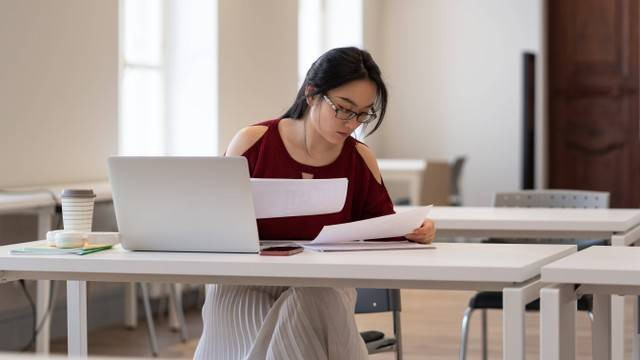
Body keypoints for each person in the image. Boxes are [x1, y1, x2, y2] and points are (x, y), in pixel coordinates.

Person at [194, 47, 436, 360]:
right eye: (344, 108)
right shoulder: (253, 143)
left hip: (324, 282)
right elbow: (214, 221)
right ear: (312, 95)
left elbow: (383, 229)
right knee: (302, 310)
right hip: (246, 281)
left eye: (363, 113)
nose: (352, 123)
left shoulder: (359, 159)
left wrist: (415, 231)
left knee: (312, 297)